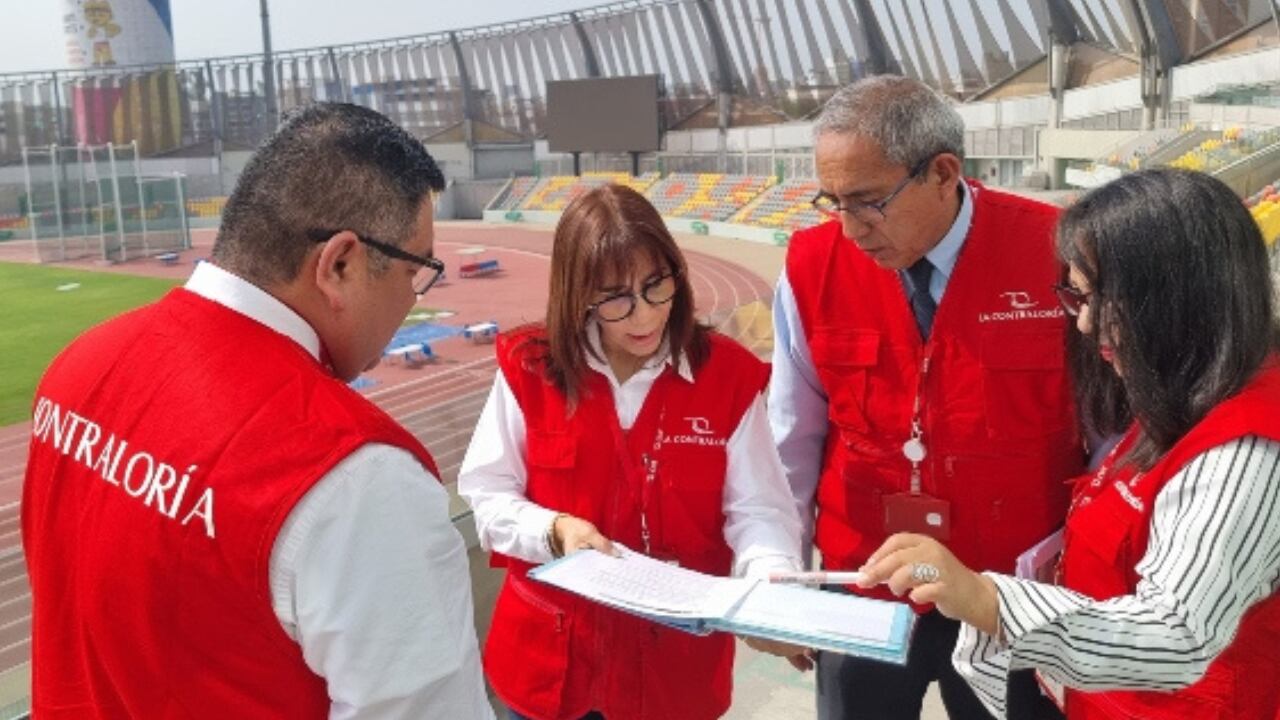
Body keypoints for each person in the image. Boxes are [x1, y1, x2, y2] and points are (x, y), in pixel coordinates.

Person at [23, 103, 494, 718]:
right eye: (418, 269)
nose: (415, 294)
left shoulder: (79, 364)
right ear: (341, 264)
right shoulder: (356, 477)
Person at [859, 168, 1280, 720]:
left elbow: (1177, 634)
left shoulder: (1242, 452)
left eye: (1095, 299)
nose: (1083, 324)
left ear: (1175, 297)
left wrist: (984, 597)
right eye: (1074, 297)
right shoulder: (1185, 398)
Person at [769, 75, 1084, 720]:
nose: (850, 229)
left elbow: (1109, 436)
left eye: (866, 201)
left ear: (944, 172)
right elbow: (791, 437)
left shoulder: (1059, 253)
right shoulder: (811, 264)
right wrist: (784, 580)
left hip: (1009, 596)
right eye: (832, 202)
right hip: (863, 588)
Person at [459, 184, 804, 720]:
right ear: (579, 295)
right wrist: (554, 532)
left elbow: (760, 511)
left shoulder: (728, 377)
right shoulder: (530, 368)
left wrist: (768, 586)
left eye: (655, 286)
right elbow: (487, 494)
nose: (643, 316)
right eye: (616, 297)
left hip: (672, 678)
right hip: (549, 671)